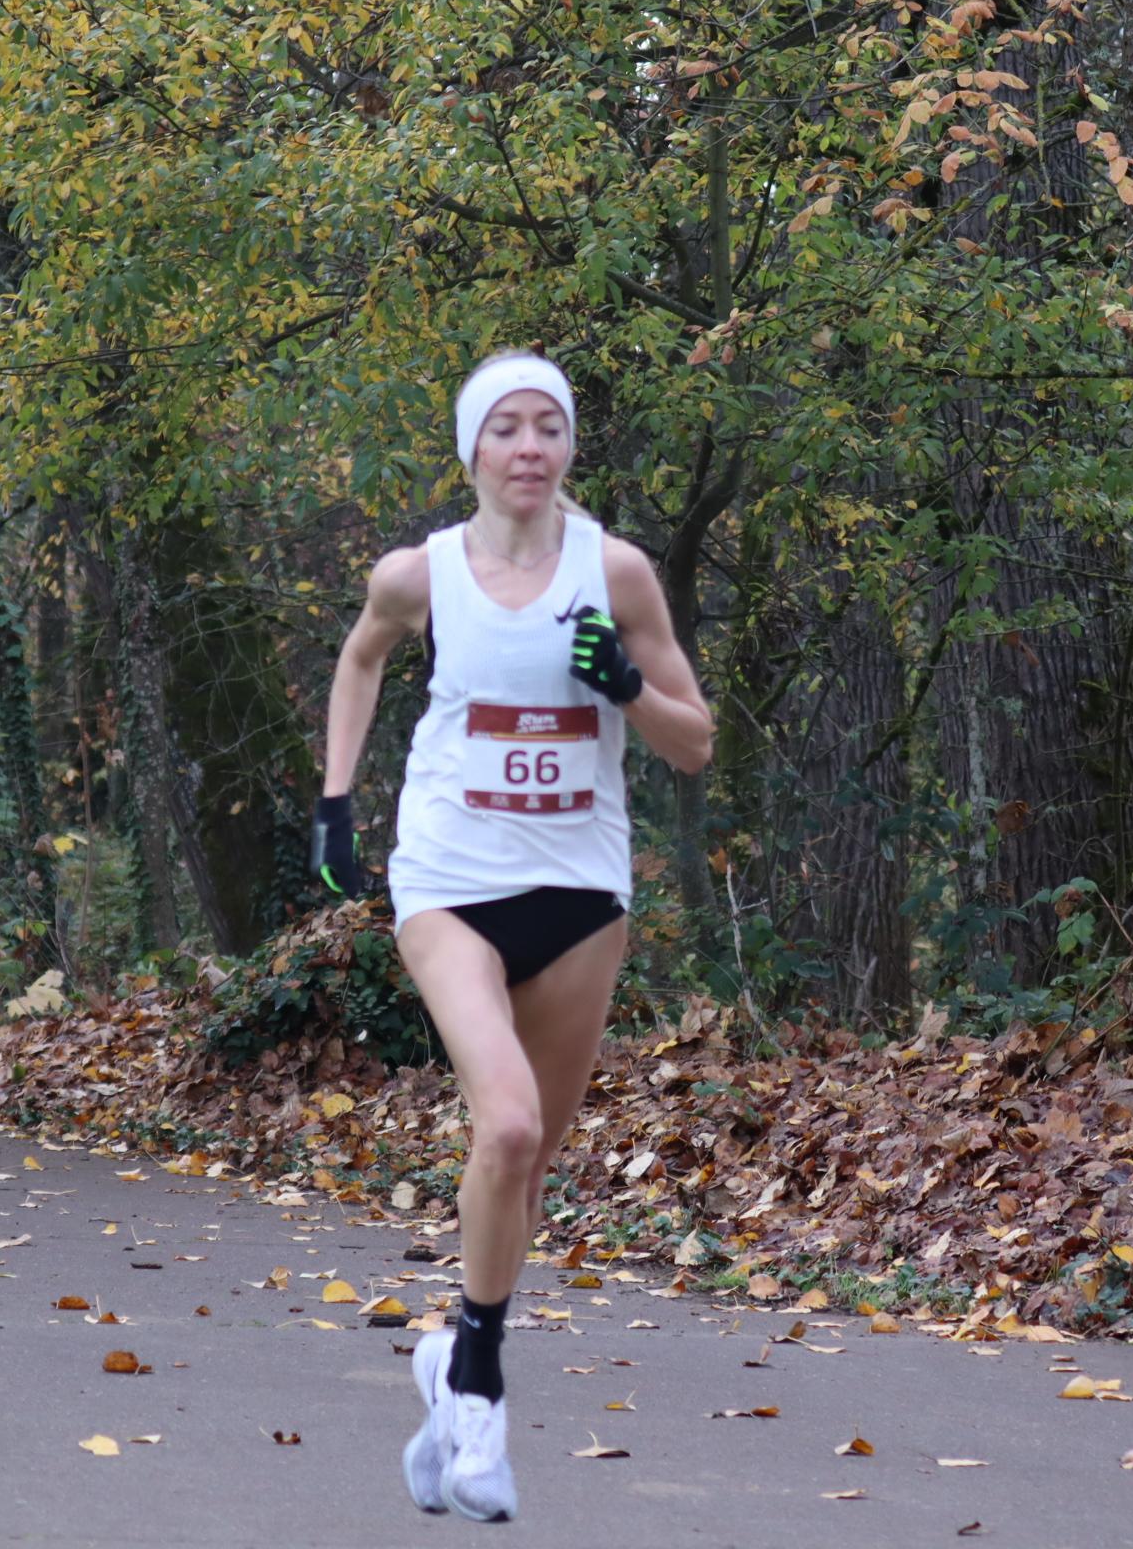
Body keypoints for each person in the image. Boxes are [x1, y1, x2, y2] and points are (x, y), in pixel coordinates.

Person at [310, 350, 713, 1523]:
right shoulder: (420, 574)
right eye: (506, 428)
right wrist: (335, 804)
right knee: (512, 1121)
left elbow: (695, 743)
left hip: (580, 890)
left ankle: (451, 1353)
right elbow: (360, 659)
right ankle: (481, 1387)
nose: (529, 447)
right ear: (472, 450)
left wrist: (626, 686)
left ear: (570, 447)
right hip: (449, 882)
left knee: (524, 1168)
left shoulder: (615, 572)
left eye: (549, 427)